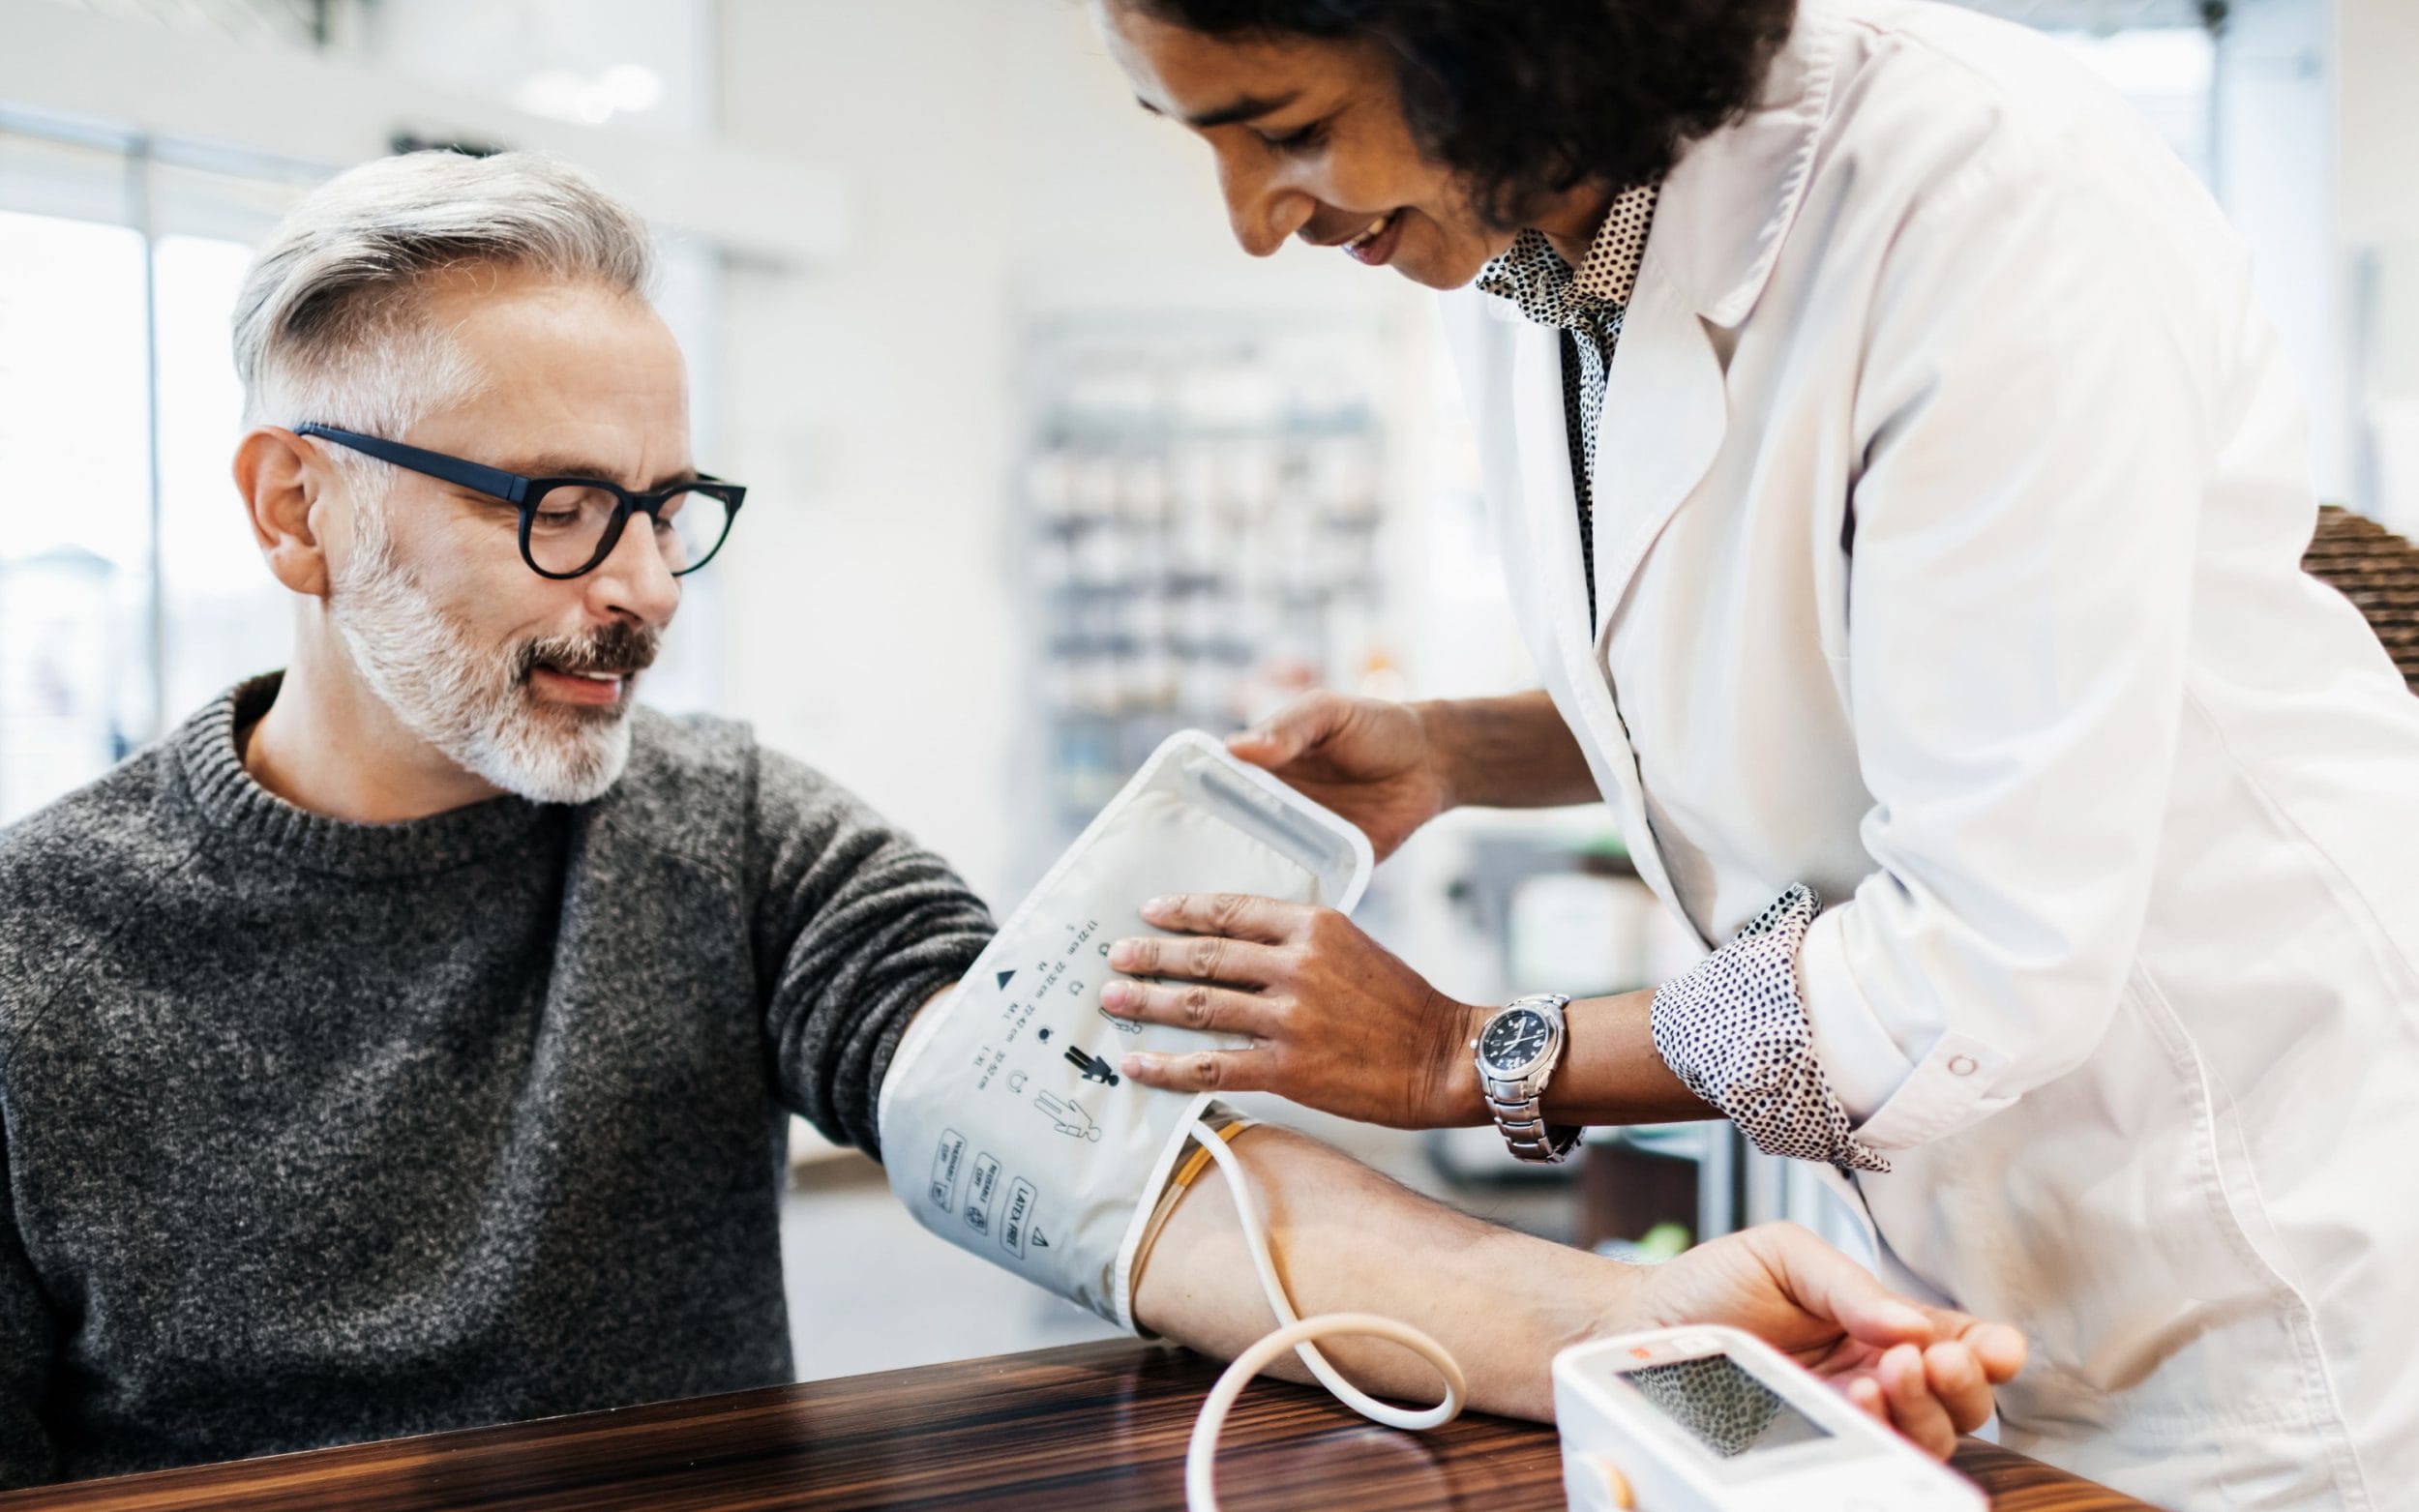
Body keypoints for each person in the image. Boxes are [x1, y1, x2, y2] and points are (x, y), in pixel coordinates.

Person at [0, 150, 2022, 1490]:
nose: (638, 586)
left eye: (665, 509)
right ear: (292, 504)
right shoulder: (40, 948)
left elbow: (1109, 1164)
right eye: (555, 506)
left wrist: (1616, 1314)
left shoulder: (729, 835)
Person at [1093, 1, 2419, 1507]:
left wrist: (1467, 1055)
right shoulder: (1514, 245)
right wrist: (1463, 750)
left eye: (1290, 129)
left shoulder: (1985, 202)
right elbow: (1800, 665)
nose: (1255, 221)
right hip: (1955, 1262)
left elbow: (1990, 953)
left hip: (2268, 1256)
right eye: (1196, 136)